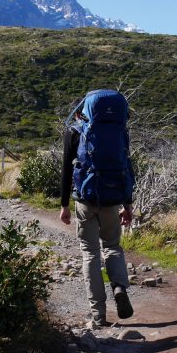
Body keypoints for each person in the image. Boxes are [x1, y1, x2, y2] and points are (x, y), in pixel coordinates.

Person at [59, 94, 135, 329]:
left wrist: (64, 205)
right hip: (112, 199)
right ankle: (119, 287)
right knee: (112, 247)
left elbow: (66, 170)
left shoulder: (74, 131)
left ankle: (98, 315)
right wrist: (127, 204)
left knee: (90, 253)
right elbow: (126, 165)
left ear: (83, 110)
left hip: (85, 199)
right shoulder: (119, 131)